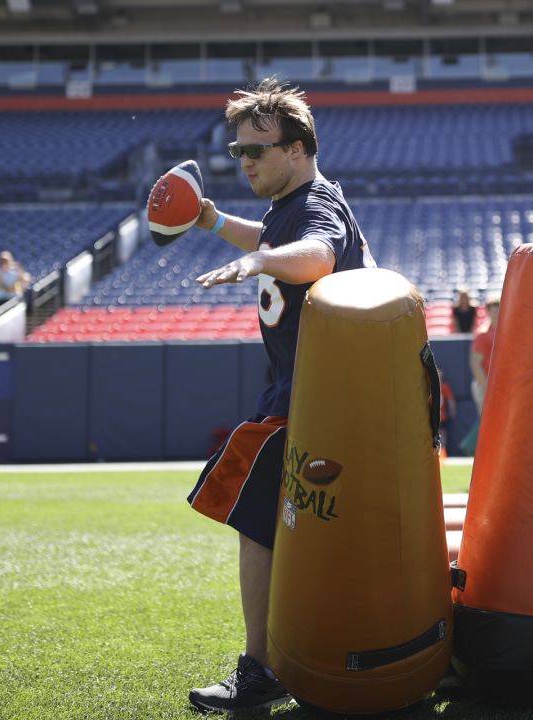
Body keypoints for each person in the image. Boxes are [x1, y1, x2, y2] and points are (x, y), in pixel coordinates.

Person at [179, 77, 374, 714]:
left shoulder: (315, 204)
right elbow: (273, 241)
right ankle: (294, 655)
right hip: (311, 395)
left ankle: (260, 669)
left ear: (296, 149)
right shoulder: (287, 208)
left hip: (311, 400)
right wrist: (211, 221)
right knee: (282, 528)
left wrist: (262, 263)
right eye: (237, 152)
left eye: (254, 151)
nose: (244, 162)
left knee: (254, 520)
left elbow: (316, 253)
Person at [468, 294, 500, 415]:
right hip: (485, 385)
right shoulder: (483, 333)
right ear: (488, 312)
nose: (496, 313)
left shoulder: (503, 330)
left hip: (498, 385)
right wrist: (486, 387)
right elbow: (475, 364)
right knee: (487, 421)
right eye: (494, 310)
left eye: (498, 310)